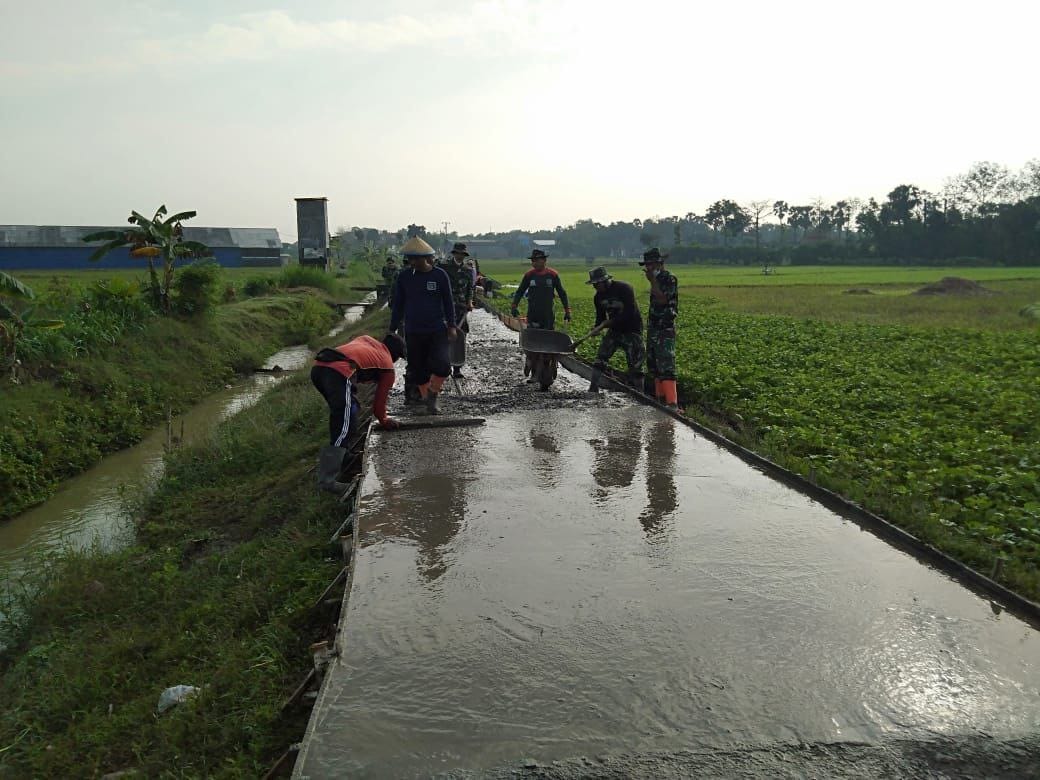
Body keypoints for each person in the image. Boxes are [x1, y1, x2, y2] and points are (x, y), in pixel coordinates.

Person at [311, 332, 407, 492]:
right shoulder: (387, 364)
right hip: (338, 373)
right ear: (395, 355)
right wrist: (384, 420)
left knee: (346, 413)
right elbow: (379, 405)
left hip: (319, 368)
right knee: (346, 422)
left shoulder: (368, 340)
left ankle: (344, 457)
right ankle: (327, 481)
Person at [390, 235, 458, 415]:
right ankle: (428, 401)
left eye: (415, 259)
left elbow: (448, 302)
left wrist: (451, 325)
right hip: (413, 330)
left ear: (425, 258)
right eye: (410, 259)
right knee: (417, 369)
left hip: (436, 329)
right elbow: (398, 304)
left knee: (443, 366)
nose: (412, 262)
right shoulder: (404, 277)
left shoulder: (439, 276)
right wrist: (392, 328)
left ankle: (433, 393)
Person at [586, 265, 644, 392]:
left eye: (597, 284)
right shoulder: (598, 297)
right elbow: (600, 317)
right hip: (614, 331)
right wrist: (597, 328)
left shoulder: (624, 288)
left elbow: (630, 311)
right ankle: (593, 387)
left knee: (635, 364)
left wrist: (609, 322)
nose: (595, 287)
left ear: (605, 281)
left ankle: (641, 393)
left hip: (632, 330)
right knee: (601, 357)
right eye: (594, 285)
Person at [639, 247, 679, 409]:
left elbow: (663, 300)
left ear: (659, 263)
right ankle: (660, 401)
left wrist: (653, 281)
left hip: (665, 328)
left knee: (666, 364)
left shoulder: (669, 279)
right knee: (654, 364)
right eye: (647, 264)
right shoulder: (656, 279)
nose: (648, 268)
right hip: (654, 327)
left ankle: (672, 403)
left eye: (651, 264)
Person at [510, 249, 572, 330]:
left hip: (547, 314)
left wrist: (567, 311)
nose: (534, 263)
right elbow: (520, 292)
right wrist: (514, 306)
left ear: (544, 260)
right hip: (533, 313)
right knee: (532, 336)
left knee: (548, 337)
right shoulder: (529, 275)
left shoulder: (553, 275)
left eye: (536, 260)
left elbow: (562, 293)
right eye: (532, 261)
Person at [442, 242, 475, 378]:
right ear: (454, 254)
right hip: (445, 307)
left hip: (461, 307)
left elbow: (470, 289)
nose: (460, 256)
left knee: (460, 336)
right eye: (458, 253)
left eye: (462, 254)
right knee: (444, 335)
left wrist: (469, 301)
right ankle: (443, 365)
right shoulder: (444, 267)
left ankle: (457, 367)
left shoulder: (468, 270)